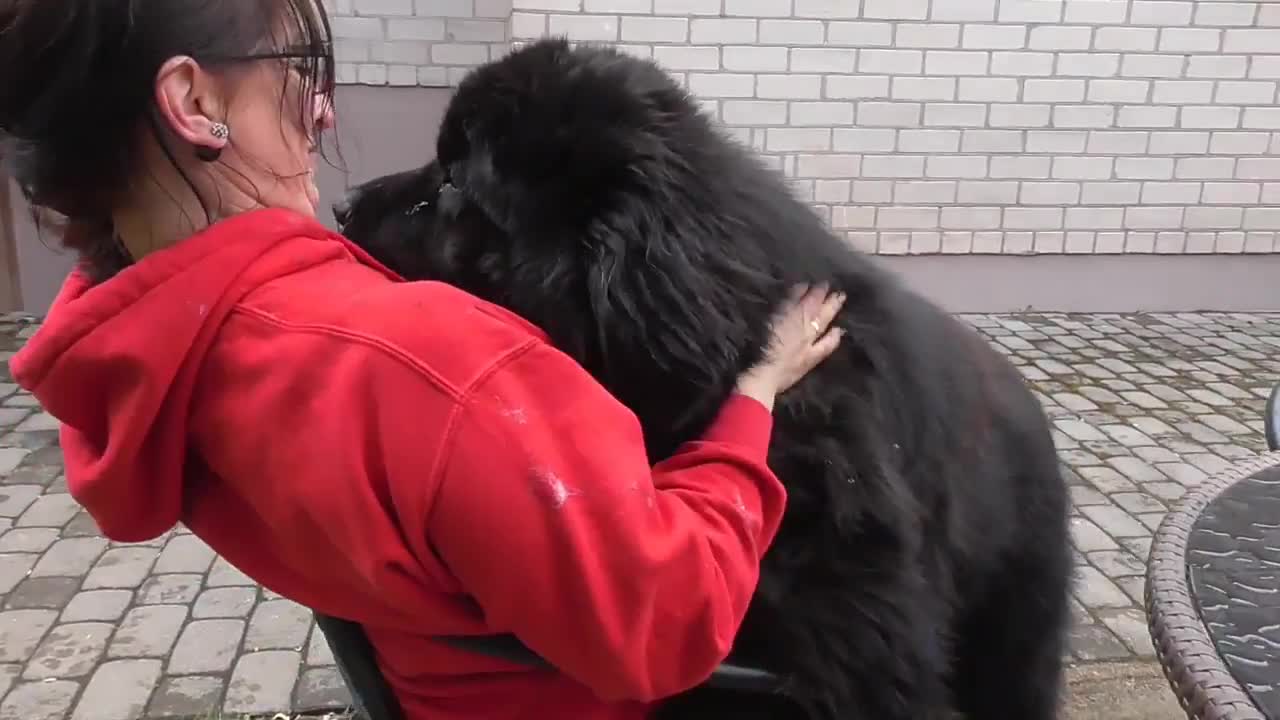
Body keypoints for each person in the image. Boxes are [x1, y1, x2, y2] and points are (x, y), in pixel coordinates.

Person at [0, 2, 846, 718]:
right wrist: (752, 404)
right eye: (302, 68)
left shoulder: (144, 354)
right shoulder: (437, 373)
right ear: (192, 101)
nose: (323, 111)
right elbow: (670, 621)